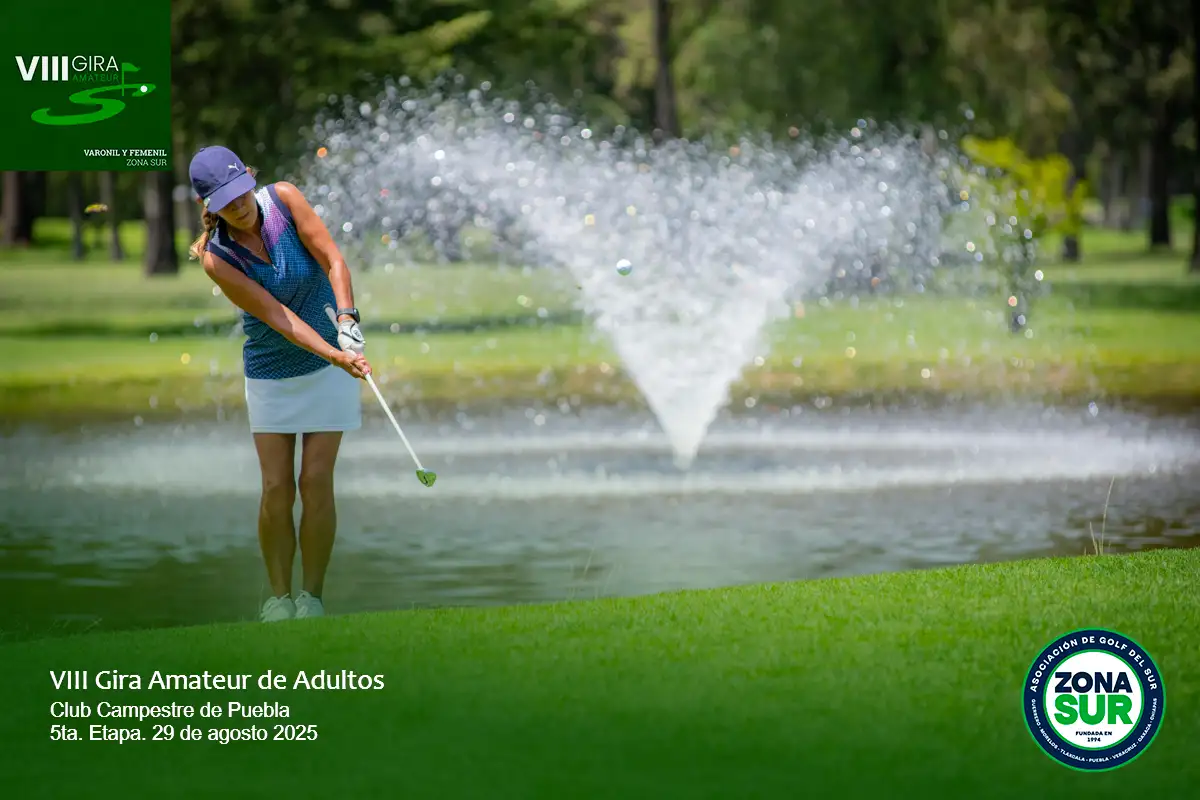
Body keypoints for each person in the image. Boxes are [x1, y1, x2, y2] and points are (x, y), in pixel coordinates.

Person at [187, 144, 372, 623]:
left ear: (249, 180)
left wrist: (347, 319)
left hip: (332, 362)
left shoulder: (284, 200)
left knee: (315, 481)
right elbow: (278, 317)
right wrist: (335, 354)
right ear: (209, 206)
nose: (239, 205)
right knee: (276, 488)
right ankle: (278, 598)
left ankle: (312, 598)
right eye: (226, 201)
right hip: (272, 370)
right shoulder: (217, 258)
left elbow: (333, 260)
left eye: (241, 192)